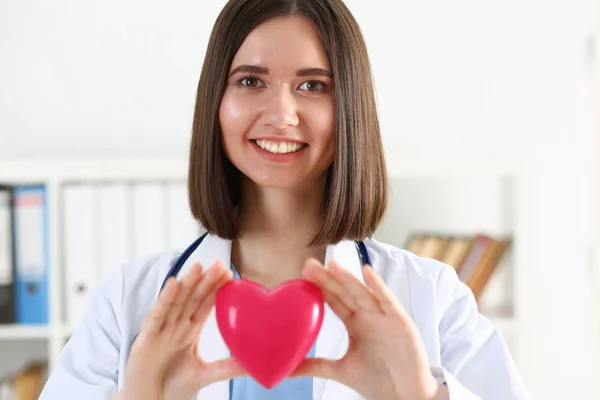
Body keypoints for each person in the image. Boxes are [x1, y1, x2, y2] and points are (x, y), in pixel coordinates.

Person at [39, 0, 530, 399]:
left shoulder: (430, 299)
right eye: (251, 81)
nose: (281, 114)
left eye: (312, 85)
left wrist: (421, 397)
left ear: (349, 110)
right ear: (216, 101)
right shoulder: (129, 303)